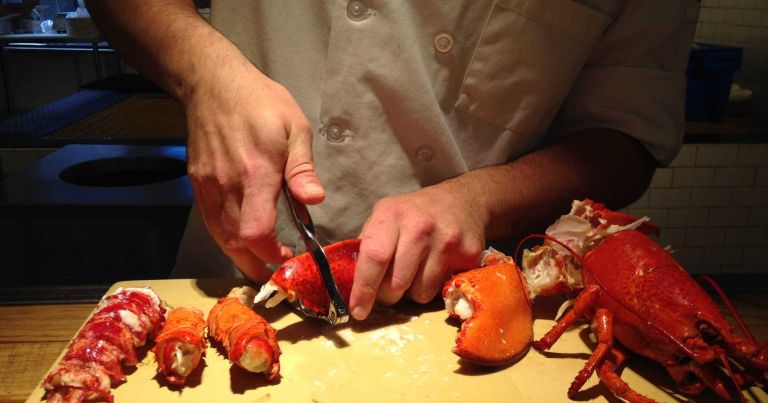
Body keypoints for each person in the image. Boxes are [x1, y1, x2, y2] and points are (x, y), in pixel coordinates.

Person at [85, 0, 699, 320]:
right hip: (233, 277)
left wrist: (478, 199)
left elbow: (625, 138)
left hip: (475, 305)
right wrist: (203, 72)